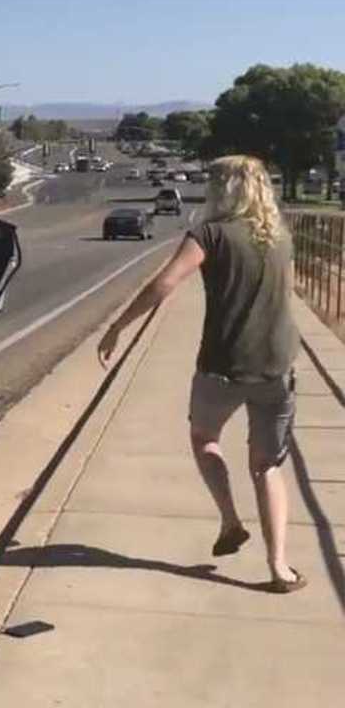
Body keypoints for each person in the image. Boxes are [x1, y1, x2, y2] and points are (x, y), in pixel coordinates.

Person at [97, 155, 305, 593]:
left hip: (223, 364)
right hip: (276, 365)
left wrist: (119, 326)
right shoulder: (281, 236)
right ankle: (279, 568)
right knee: (267, 465)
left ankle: (230, 520)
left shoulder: (209, 233)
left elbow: (165, 283)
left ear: (223, 189)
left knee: (204, 438)